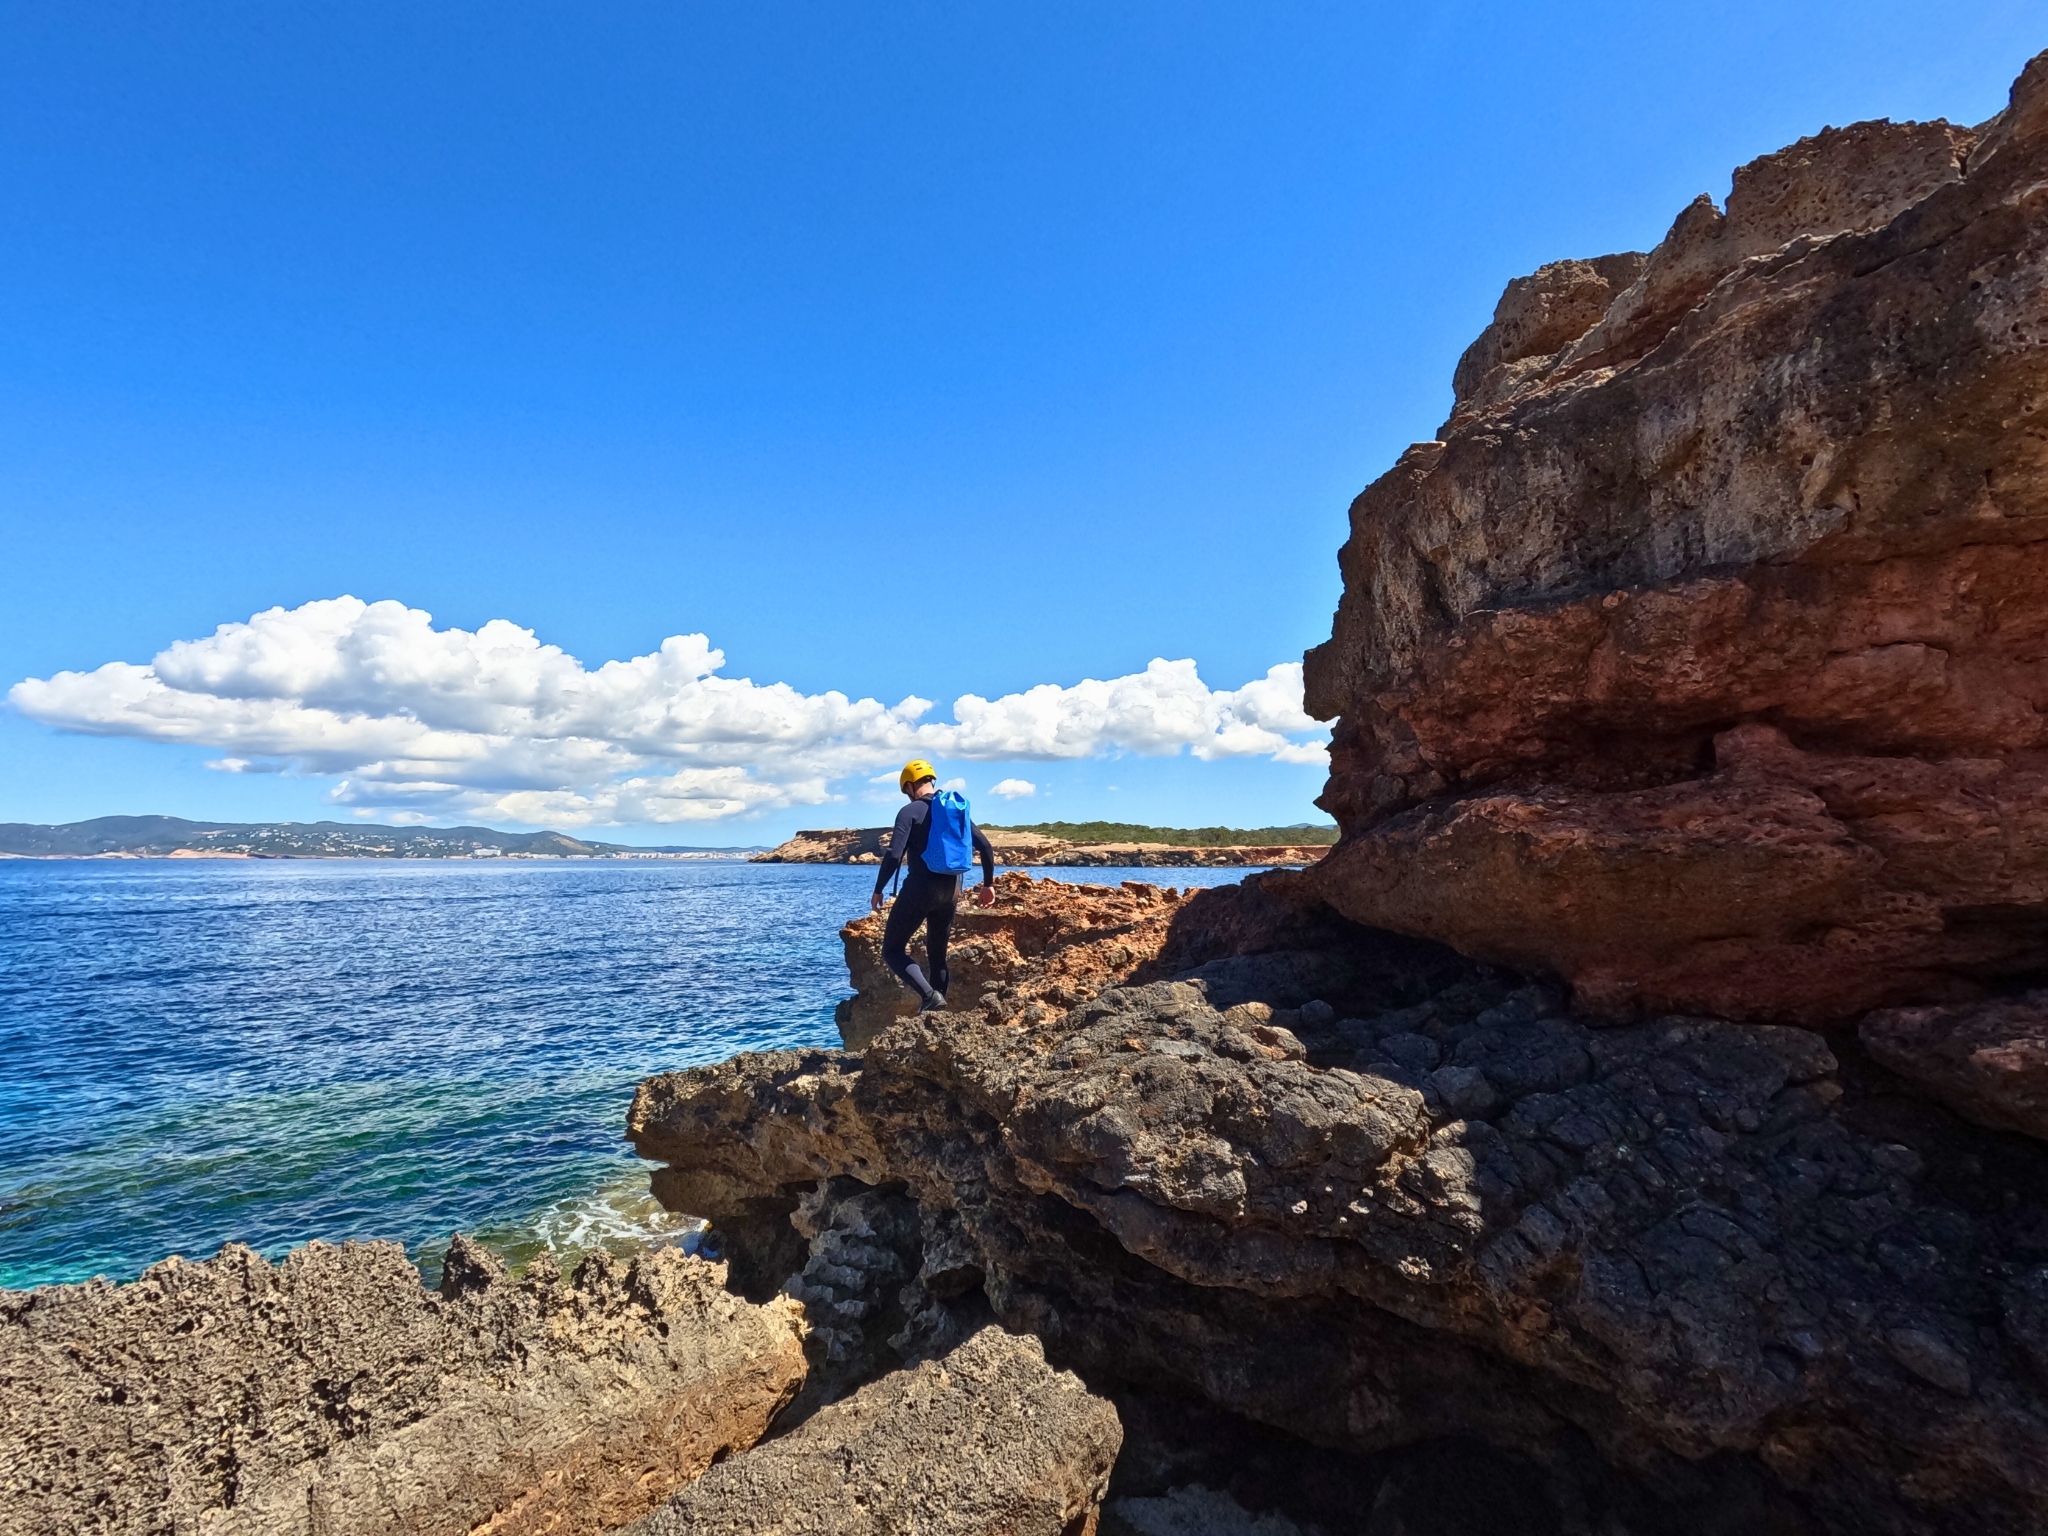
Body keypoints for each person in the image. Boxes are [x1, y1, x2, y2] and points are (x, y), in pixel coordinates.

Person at [870, 759, 995, 1012]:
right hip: (951, 889)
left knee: (892, 950)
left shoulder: (910, 811)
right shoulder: (952, 810)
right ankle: (937, 1013)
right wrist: (988, 884)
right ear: (931, 780)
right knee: (937, 955)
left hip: (921, 887)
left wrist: (879, 889)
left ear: (908, 786)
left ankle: (930, 997)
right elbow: (985, 847)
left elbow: (894, 855)